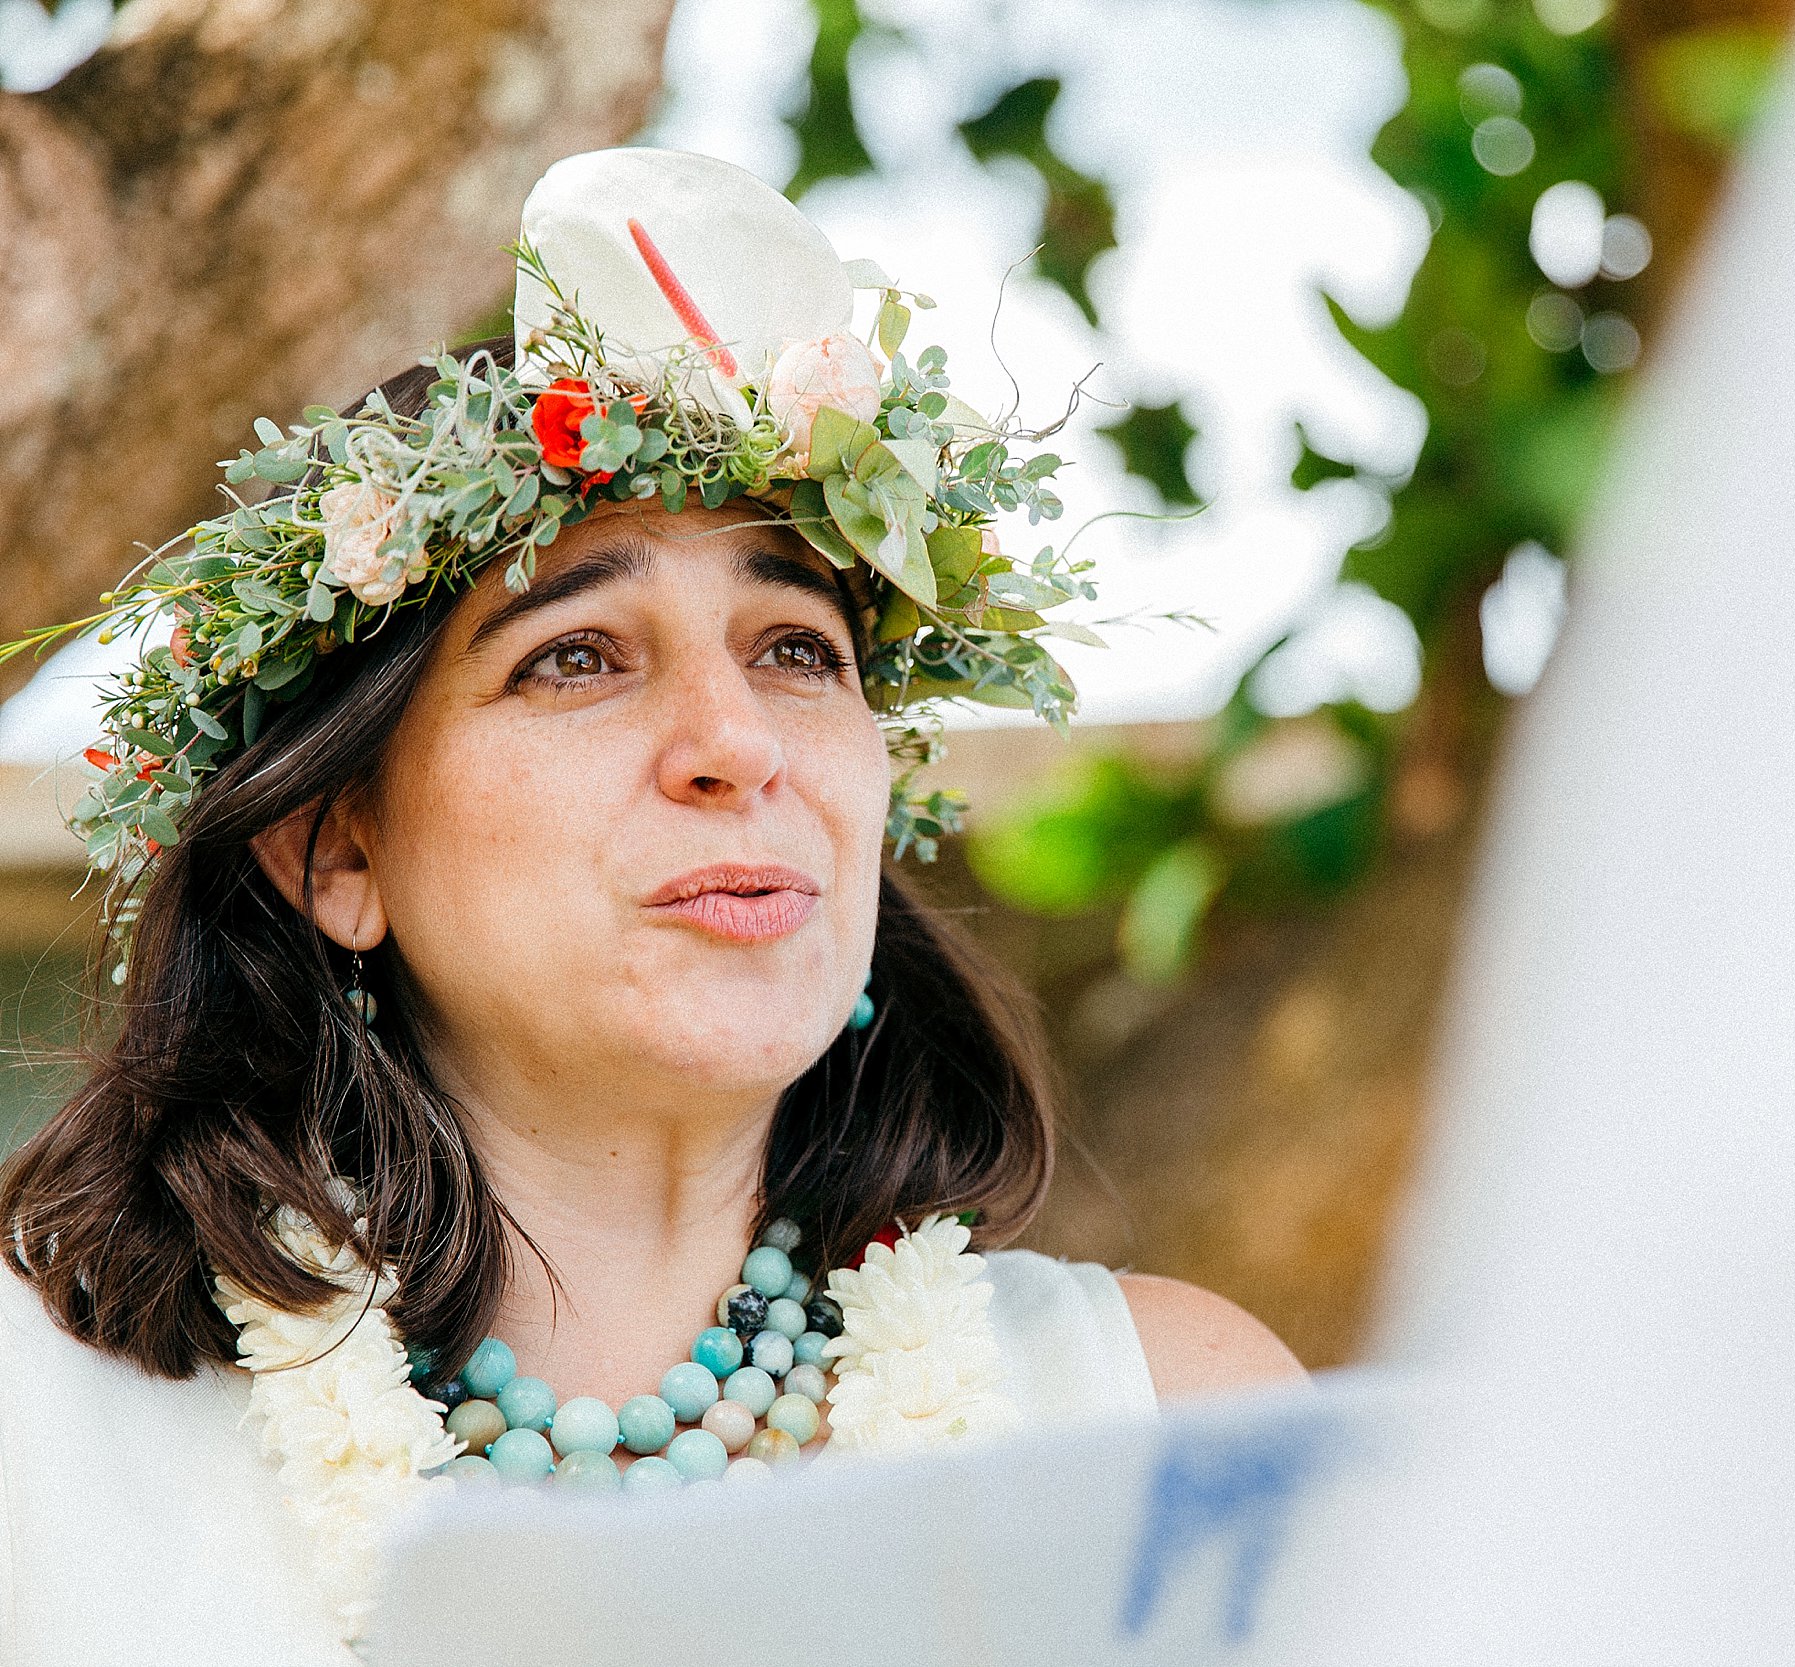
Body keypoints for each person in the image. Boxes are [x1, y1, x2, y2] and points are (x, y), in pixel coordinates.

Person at [0, 147, 1302, 1662]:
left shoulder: (1179, 1438)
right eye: (578, 656)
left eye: (798, 649)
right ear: (335, 854)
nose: (739, 745)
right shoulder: (36, 1438)